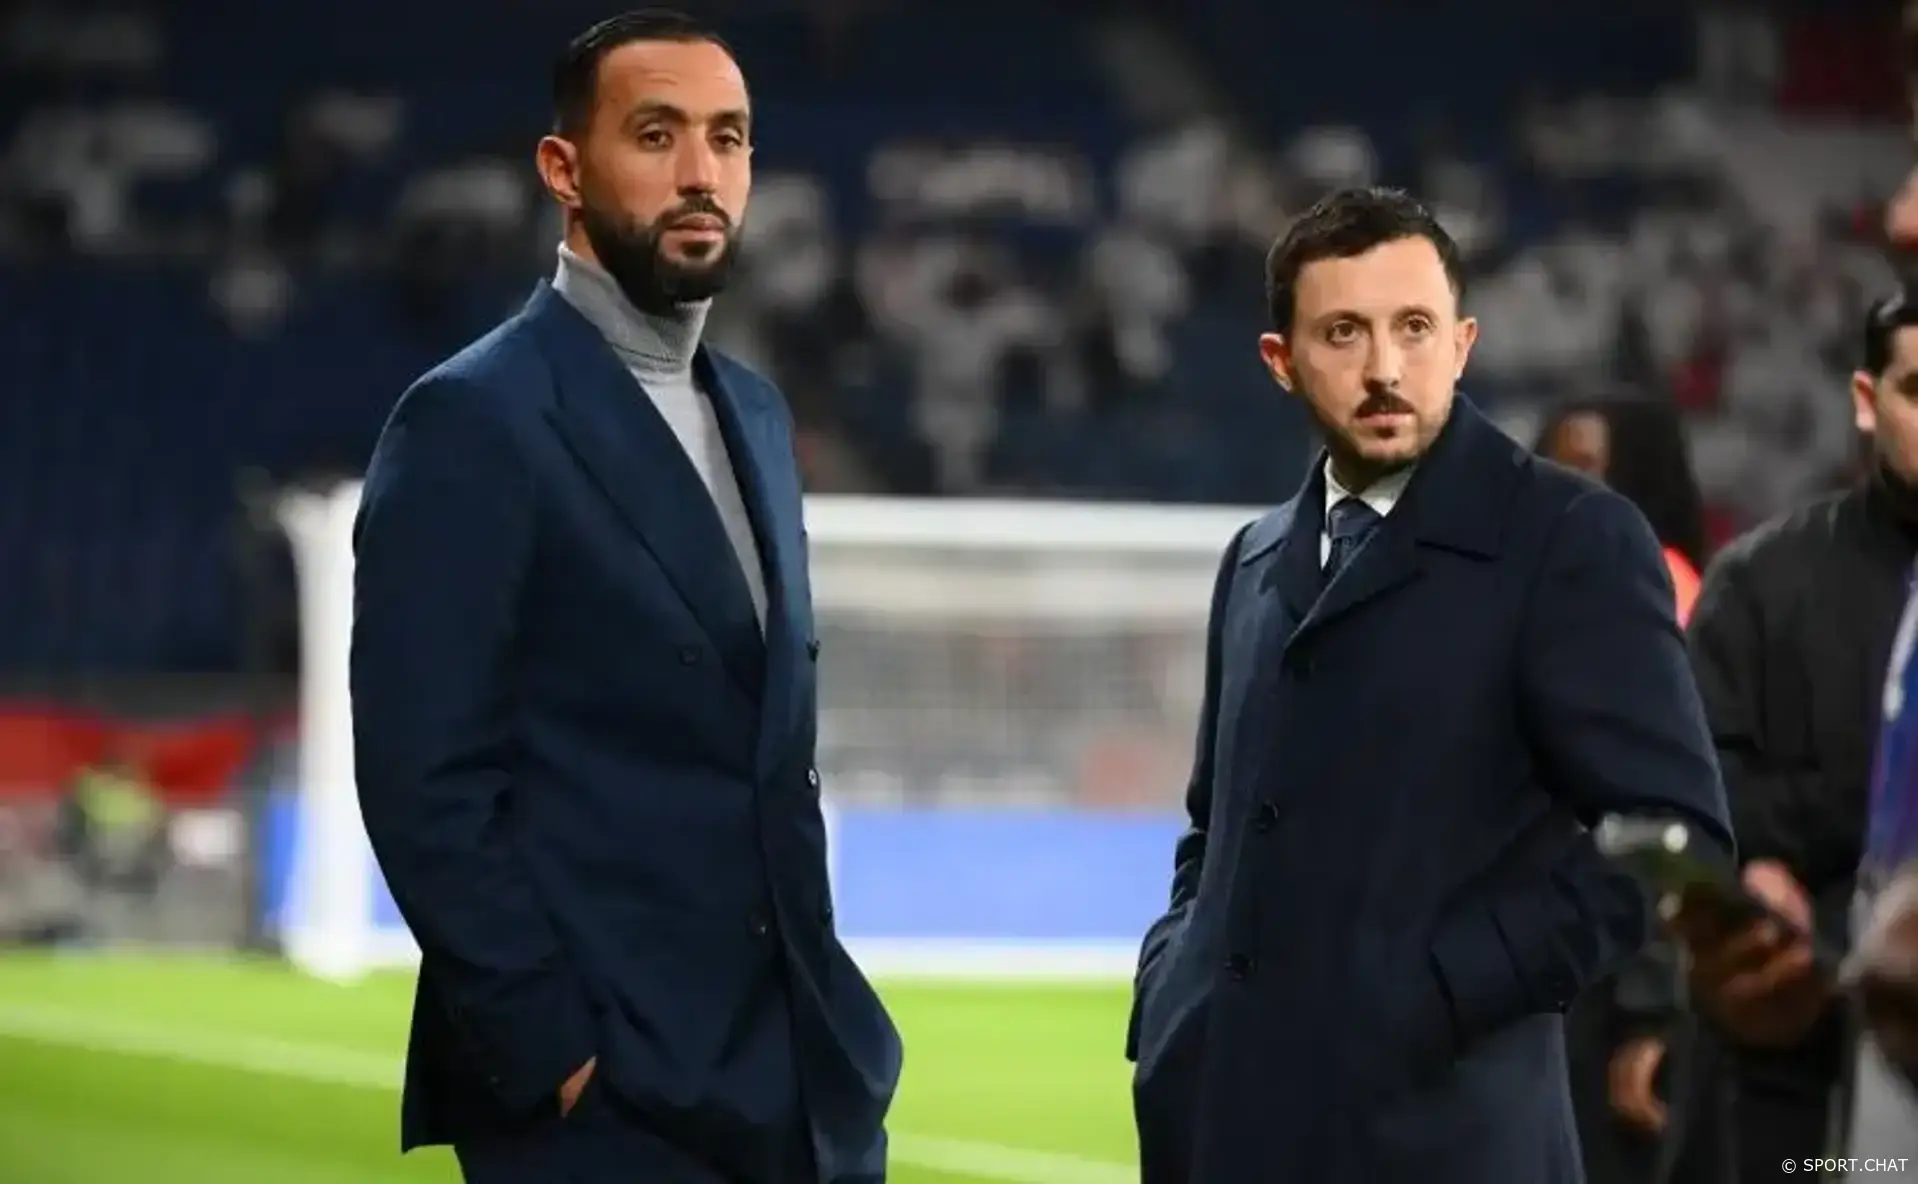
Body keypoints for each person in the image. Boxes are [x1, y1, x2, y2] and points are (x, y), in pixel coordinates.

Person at [349, 12, 900, 1182]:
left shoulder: (755, 412)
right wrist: (547, 1047)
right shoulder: (471, 419)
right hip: (605, 1102)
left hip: (795, 1081)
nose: (702, 172)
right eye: (657, 135)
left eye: (729, 138)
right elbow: (422, 774)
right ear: (563, 168)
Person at [1123, 186, 1733, 1184]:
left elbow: (1673, 838)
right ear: (1280, 360)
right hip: (1224, 1122)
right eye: (1343, 332)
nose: (1384, 367)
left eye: (1413, 327)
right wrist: (1173, 981)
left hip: (1442, 1131)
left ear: (1462, 343)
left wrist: (1440, 992)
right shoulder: (1255, 556)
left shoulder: (1566, 538)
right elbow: (1216, 823)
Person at [1676, 292, 1918, 1182]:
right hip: (1793, 1061)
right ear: (1866, 400)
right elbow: (1694, 789)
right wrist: (1759, 867)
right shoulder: (1761, 584)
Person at [1535, 396, 1733, 1184]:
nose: (1567, 489)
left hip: (1617, 980)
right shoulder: (1548, 595)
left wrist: (1653, 1015)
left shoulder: (1667, 602)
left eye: (1590, 469)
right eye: (1552, 467)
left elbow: (1667, 821)